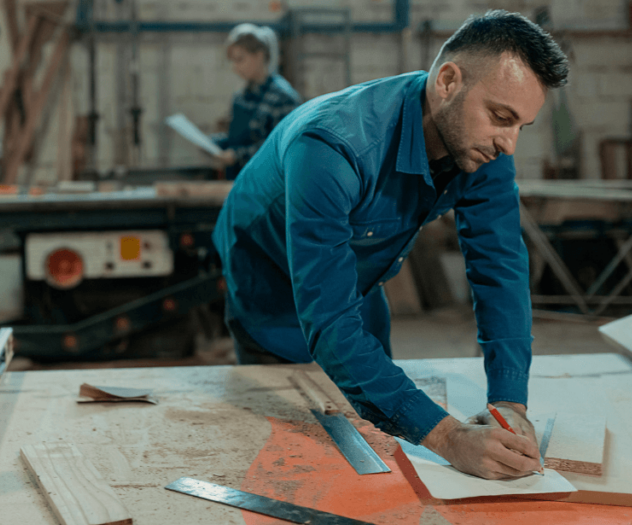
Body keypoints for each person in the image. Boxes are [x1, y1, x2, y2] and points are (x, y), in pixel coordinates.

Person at [212, 10, 569, 480]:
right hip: (266, 276)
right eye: (501, 117)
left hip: (361, 275)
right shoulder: (332, 146)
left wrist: (509, 400)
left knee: (376, 427)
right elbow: (328, 319)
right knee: (290, 450)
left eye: (522, 125)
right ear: (447, 81)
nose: (509, 144)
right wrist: (449, 438)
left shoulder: (485, 149)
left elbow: (499, 267)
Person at [212, 23, 301, 180]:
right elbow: (238, 139)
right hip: (237, 183)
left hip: (266, 190)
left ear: (260, 55)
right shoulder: (241, 96)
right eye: (232, 60)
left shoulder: (283, 98)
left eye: (240, 59)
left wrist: (237, 156)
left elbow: (280, 149)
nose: (234, 67)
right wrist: (214, 144)